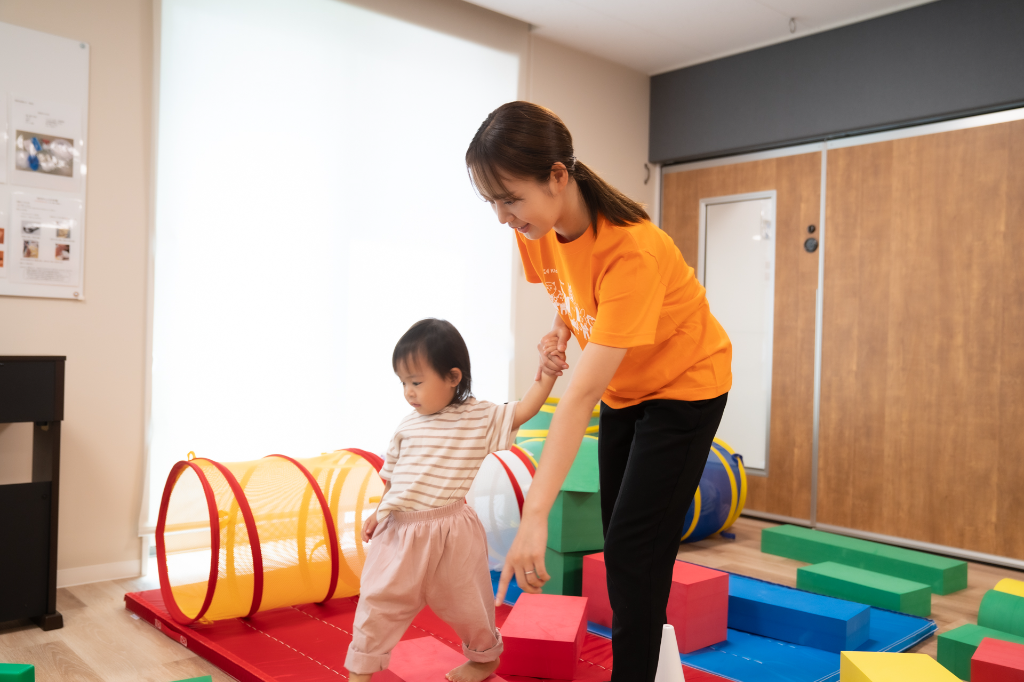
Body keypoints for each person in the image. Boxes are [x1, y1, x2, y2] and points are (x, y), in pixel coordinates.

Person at [466, 101, 732, 682]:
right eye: (493, 201)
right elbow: (570, 287)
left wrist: (535, 515)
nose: (503, 216)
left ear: (558, 176)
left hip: (686, 387)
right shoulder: (535, 229)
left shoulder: (633, 249)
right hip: (628, 389)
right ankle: (656, 659)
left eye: (510, 198)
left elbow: (579, 396)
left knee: (636, 550)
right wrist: (561, 329)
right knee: (623, 541)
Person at [346, 318, 556, 682]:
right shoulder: (407, 425)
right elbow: (394, 477)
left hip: (452, 532)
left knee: (468, 603)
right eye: (403, 384)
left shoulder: (479, 417)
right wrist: (381, 512)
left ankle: (483, 658)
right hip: (399, 533)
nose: (409, 393)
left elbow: (525, 409)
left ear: (453, 378)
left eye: (416, 382)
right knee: (377, 602)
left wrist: (547, 374)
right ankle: (361, 669)